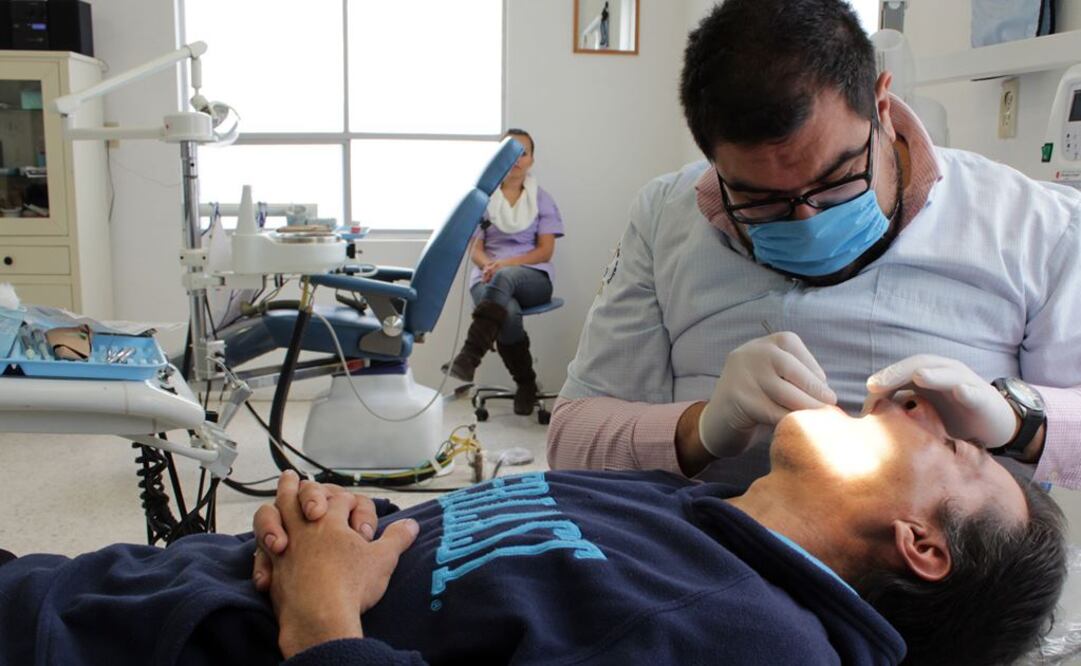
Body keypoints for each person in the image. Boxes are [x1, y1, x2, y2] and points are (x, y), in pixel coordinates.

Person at [0, 397, 1068, 665]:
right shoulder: (697, 514)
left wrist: (324, 610)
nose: (926, 408)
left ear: (921, 544)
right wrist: (339, 522)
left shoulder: (758, 643)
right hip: (108, 588)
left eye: (959, 454)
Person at [549, 0, 1081, 489]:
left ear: (881, 104)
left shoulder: (1035, 225)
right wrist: (702, 427)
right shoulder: (666, 217)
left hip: (955, 582)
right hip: (717, 561)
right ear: (711, 155)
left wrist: (1019, 419)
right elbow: (572, 440)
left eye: (836, 180)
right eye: (760, 200)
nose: (805, 219)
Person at [444, 128, 565, 415]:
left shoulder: (542, 199)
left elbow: (545, 252)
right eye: (509, 153)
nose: (517, 159)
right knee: (507, 311)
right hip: (487, 277)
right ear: (497, 159)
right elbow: (474, 246)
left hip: (532, 278)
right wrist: (487, 263)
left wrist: (504, 265)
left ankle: (470, 355)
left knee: (505, 277)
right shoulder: (482, 200)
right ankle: (526, 384)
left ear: (532, 160)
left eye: (523, 153)